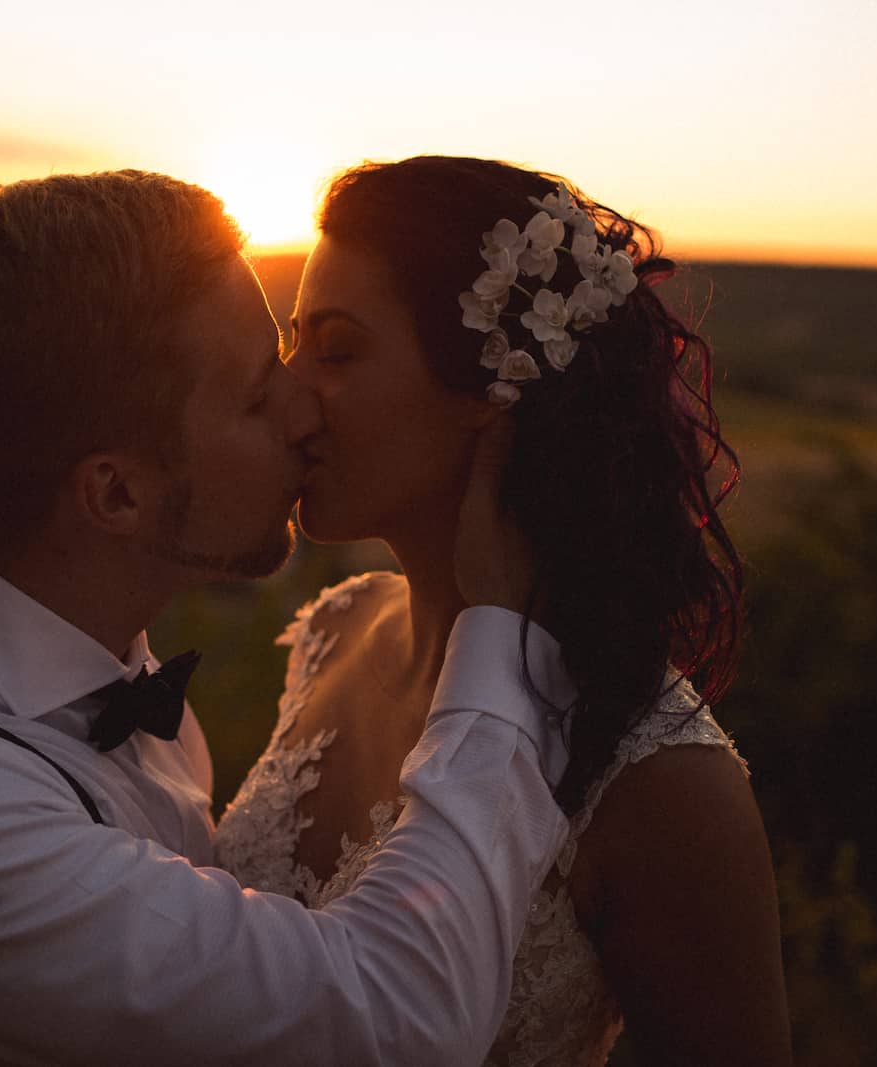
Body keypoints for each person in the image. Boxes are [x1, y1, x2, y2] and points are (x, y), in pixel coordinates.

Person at [0, 169, 578, 1066]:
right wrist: (496, 629)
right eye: (259, 395)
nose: (306, 410)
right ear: (118, 492)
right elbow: (391, 1015)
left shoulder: (135, 697)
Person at [215, 156, 793, 1065]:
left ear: (491, 388)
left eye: (335, 349)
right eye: (294, 343)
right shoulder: (334, 631)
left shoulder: (661, 777)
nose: (290, 392)